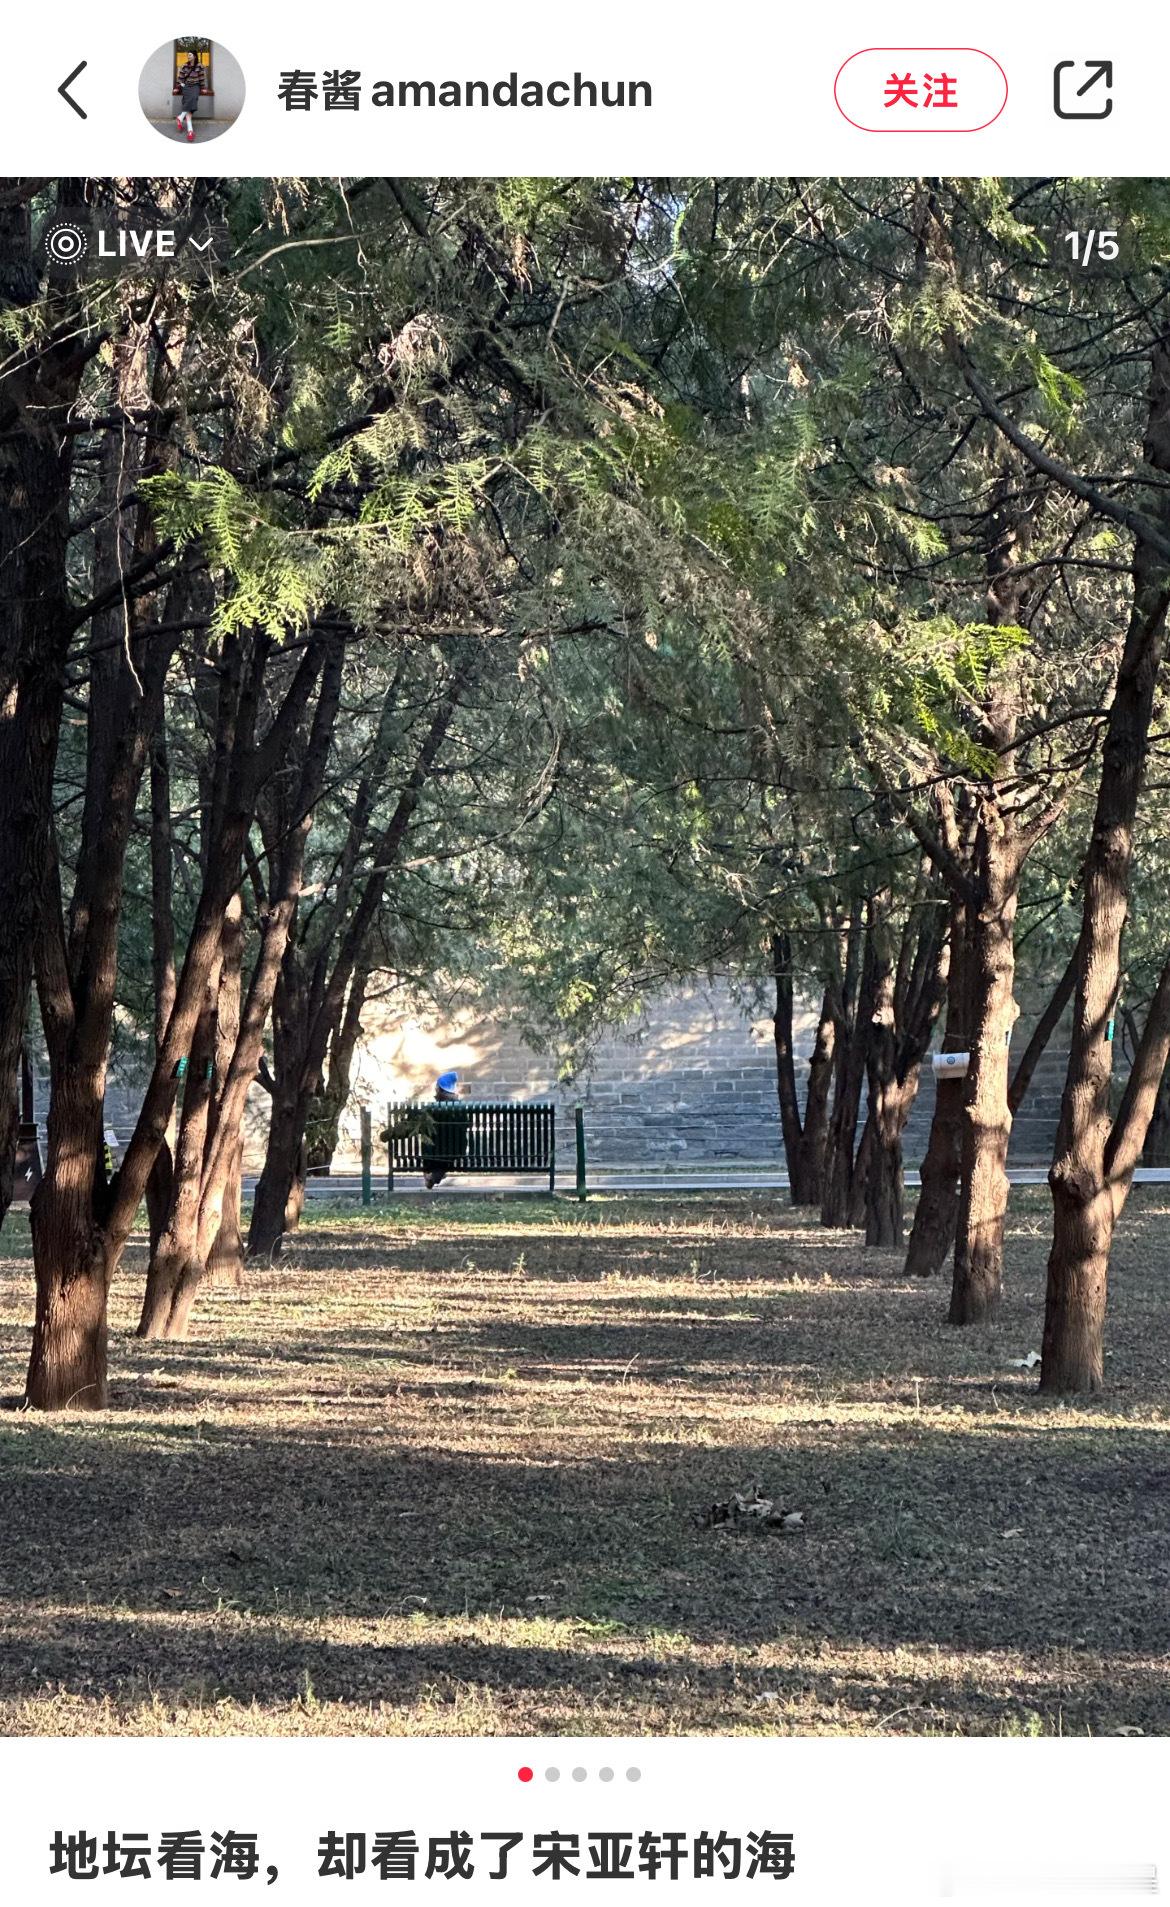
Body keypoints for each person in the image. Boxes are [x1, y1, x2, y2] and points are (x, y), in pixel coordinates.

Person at [422, 1071, 471, 1188]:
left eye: (437, 1087)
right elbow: (466, 1125)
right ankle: (434, 1176)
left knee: (430, 1142)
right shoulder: (460, 1107)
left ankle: (433, 1175)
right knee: (448, 1151)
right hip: (457, 1150)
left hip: (437, 1151)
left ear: (440, 1088)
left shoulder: (434, 1108)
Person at [175, 54, 206, 143]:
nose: (188, 56)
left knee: (193, 99)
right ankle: (190, 131)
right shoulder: (184, 65)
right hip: (186, 86)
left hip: (196, 86)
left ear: (195, 56)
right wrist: (177, 87)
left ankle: (180, 117)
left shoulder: (199, 66)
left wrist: (203, 88)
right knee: (190, 106)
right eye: (187, 55)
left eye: (190, 55)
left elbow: (201, 78)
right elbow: (180, 77)